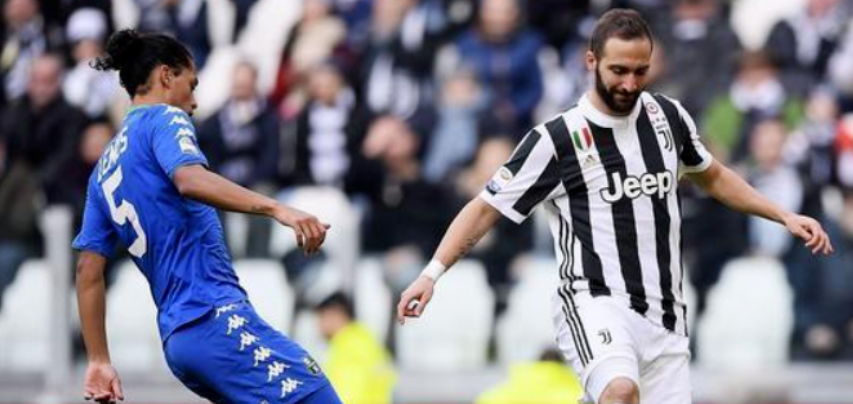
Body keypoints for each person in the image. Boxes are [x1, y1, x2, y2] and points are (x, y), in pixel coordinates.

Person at [397, 9, 834, 404]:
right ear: (592, 62)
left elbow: (713, 175)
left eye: (640, 71)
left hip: (665, 314)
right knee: (620, 391)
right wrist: (431, 274)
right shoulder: (557, 139)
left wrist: (783, 215)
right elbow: (485, 208)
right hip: (595, 301)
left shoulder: (668, 118)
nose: (630, 84)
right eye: (618, 71)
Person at [73, 30, 342, 404]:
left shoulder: (102, 171)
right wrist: (277, 208)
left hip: (179, 341)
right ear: (166, 76)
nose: (195, 102)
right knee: (315, 393)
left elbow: (87, 270)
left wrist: (99, 360)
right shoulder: (165, 118)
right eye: (192, 84)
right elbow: (189, 179)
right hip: (212, 315)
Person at [315, 291, 396, 404]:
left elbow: (349, 395)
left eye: (321, 318)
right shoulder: (363, 341)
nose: (318, 326)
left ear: (336, 314)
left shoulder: (349, 348)